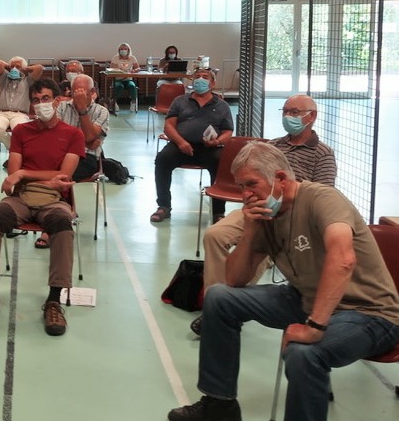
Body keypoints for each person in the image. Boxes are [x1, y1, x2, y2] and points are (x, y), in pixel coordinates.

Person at [167, 142, 399, 421]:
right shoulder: (267, 215)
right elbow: (234, 280)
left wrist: (314, 326)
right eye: (241, 186)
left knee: (304, 354)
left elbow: (343, 259)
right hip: (305, 298)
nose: (245, 194)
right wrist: (251, 230)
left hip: (368, 312)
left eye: (251, 184)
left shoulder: (321, 199)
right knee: (220, 297)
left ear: (280, 178)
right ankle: (220, 403)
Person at [191, 93, 337, 335]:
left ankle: (228, 307)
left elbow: (324, 193)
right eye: (285, 111)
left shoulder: (323, 154)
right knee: (215, 235)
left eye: (294, 112)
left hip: (290, 216)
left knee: (263, 247)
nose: (288, 116)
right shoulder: (273, 146)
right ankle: (214, 303)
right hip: (256, 206)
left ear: (311, 116)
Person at [0, 78, 85, 336]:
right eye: (36, 100)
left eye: (46, 99)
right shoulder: (21, 132)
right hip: (21, 198)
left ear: (58, 101)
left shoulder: (73, 134)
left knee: (62, 225)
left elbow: (63, 176)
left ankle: (54, 300)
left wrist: (23, 174)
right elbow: (13, 171)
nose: (41, 104)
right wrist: (28, 176)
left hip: (54, 200)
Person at [150, 67, 233, 223]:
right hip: (180, 146)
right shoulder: (180, 101)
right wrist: (181, 142)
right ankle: (163, 206)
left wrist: (217, 141)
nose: (200, 79)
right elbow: (169, 126)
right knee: (162, 159)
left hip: (210, 148)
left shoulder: (222, 105)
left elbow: (228, 131)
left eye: (205, 77)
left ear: (213, 84)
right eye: (197, 77)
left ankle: (218, 212)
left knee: (220, 164)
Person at [56, 73, 109, 182]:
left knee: (70, 171)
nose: (78, 96)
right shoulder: (61, 107)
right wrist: (86, 143)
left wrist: (82, 109)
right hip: (62, 152)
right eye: (75, 92)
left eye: (82, 92)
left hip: (86, 156)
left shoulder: (101, 111)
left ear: (92, 92)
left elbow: (89, 136)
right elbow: (56, 135)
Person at [0, 56, 44, 150]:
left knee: (21, 131)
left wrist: (25, 69)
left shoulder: (28, 81)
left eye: (17, 66)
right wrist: (9, 66)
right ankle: (14, 148)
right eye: (12, 66)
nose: (14, 69)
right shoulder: (4, 77)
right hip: (2, 113)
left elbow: (39, 68)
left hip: (20, 114)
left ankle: (16, 151)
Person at [109, 42, 141, 112]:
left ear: (128, 50)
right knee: (119, 86)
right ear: (119, 50)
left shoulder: (132, 58)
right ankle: (114, 102)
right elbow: (111, 68)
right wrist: (117, 68)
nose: (123, 50)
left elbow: (138, 68)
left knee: (132, 86)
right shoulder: (115, 58)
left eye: (125, 49)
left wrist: (134, 70)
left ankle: (133, 102)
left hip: (128, 79)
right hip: (118, 79)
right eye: (121, 49)